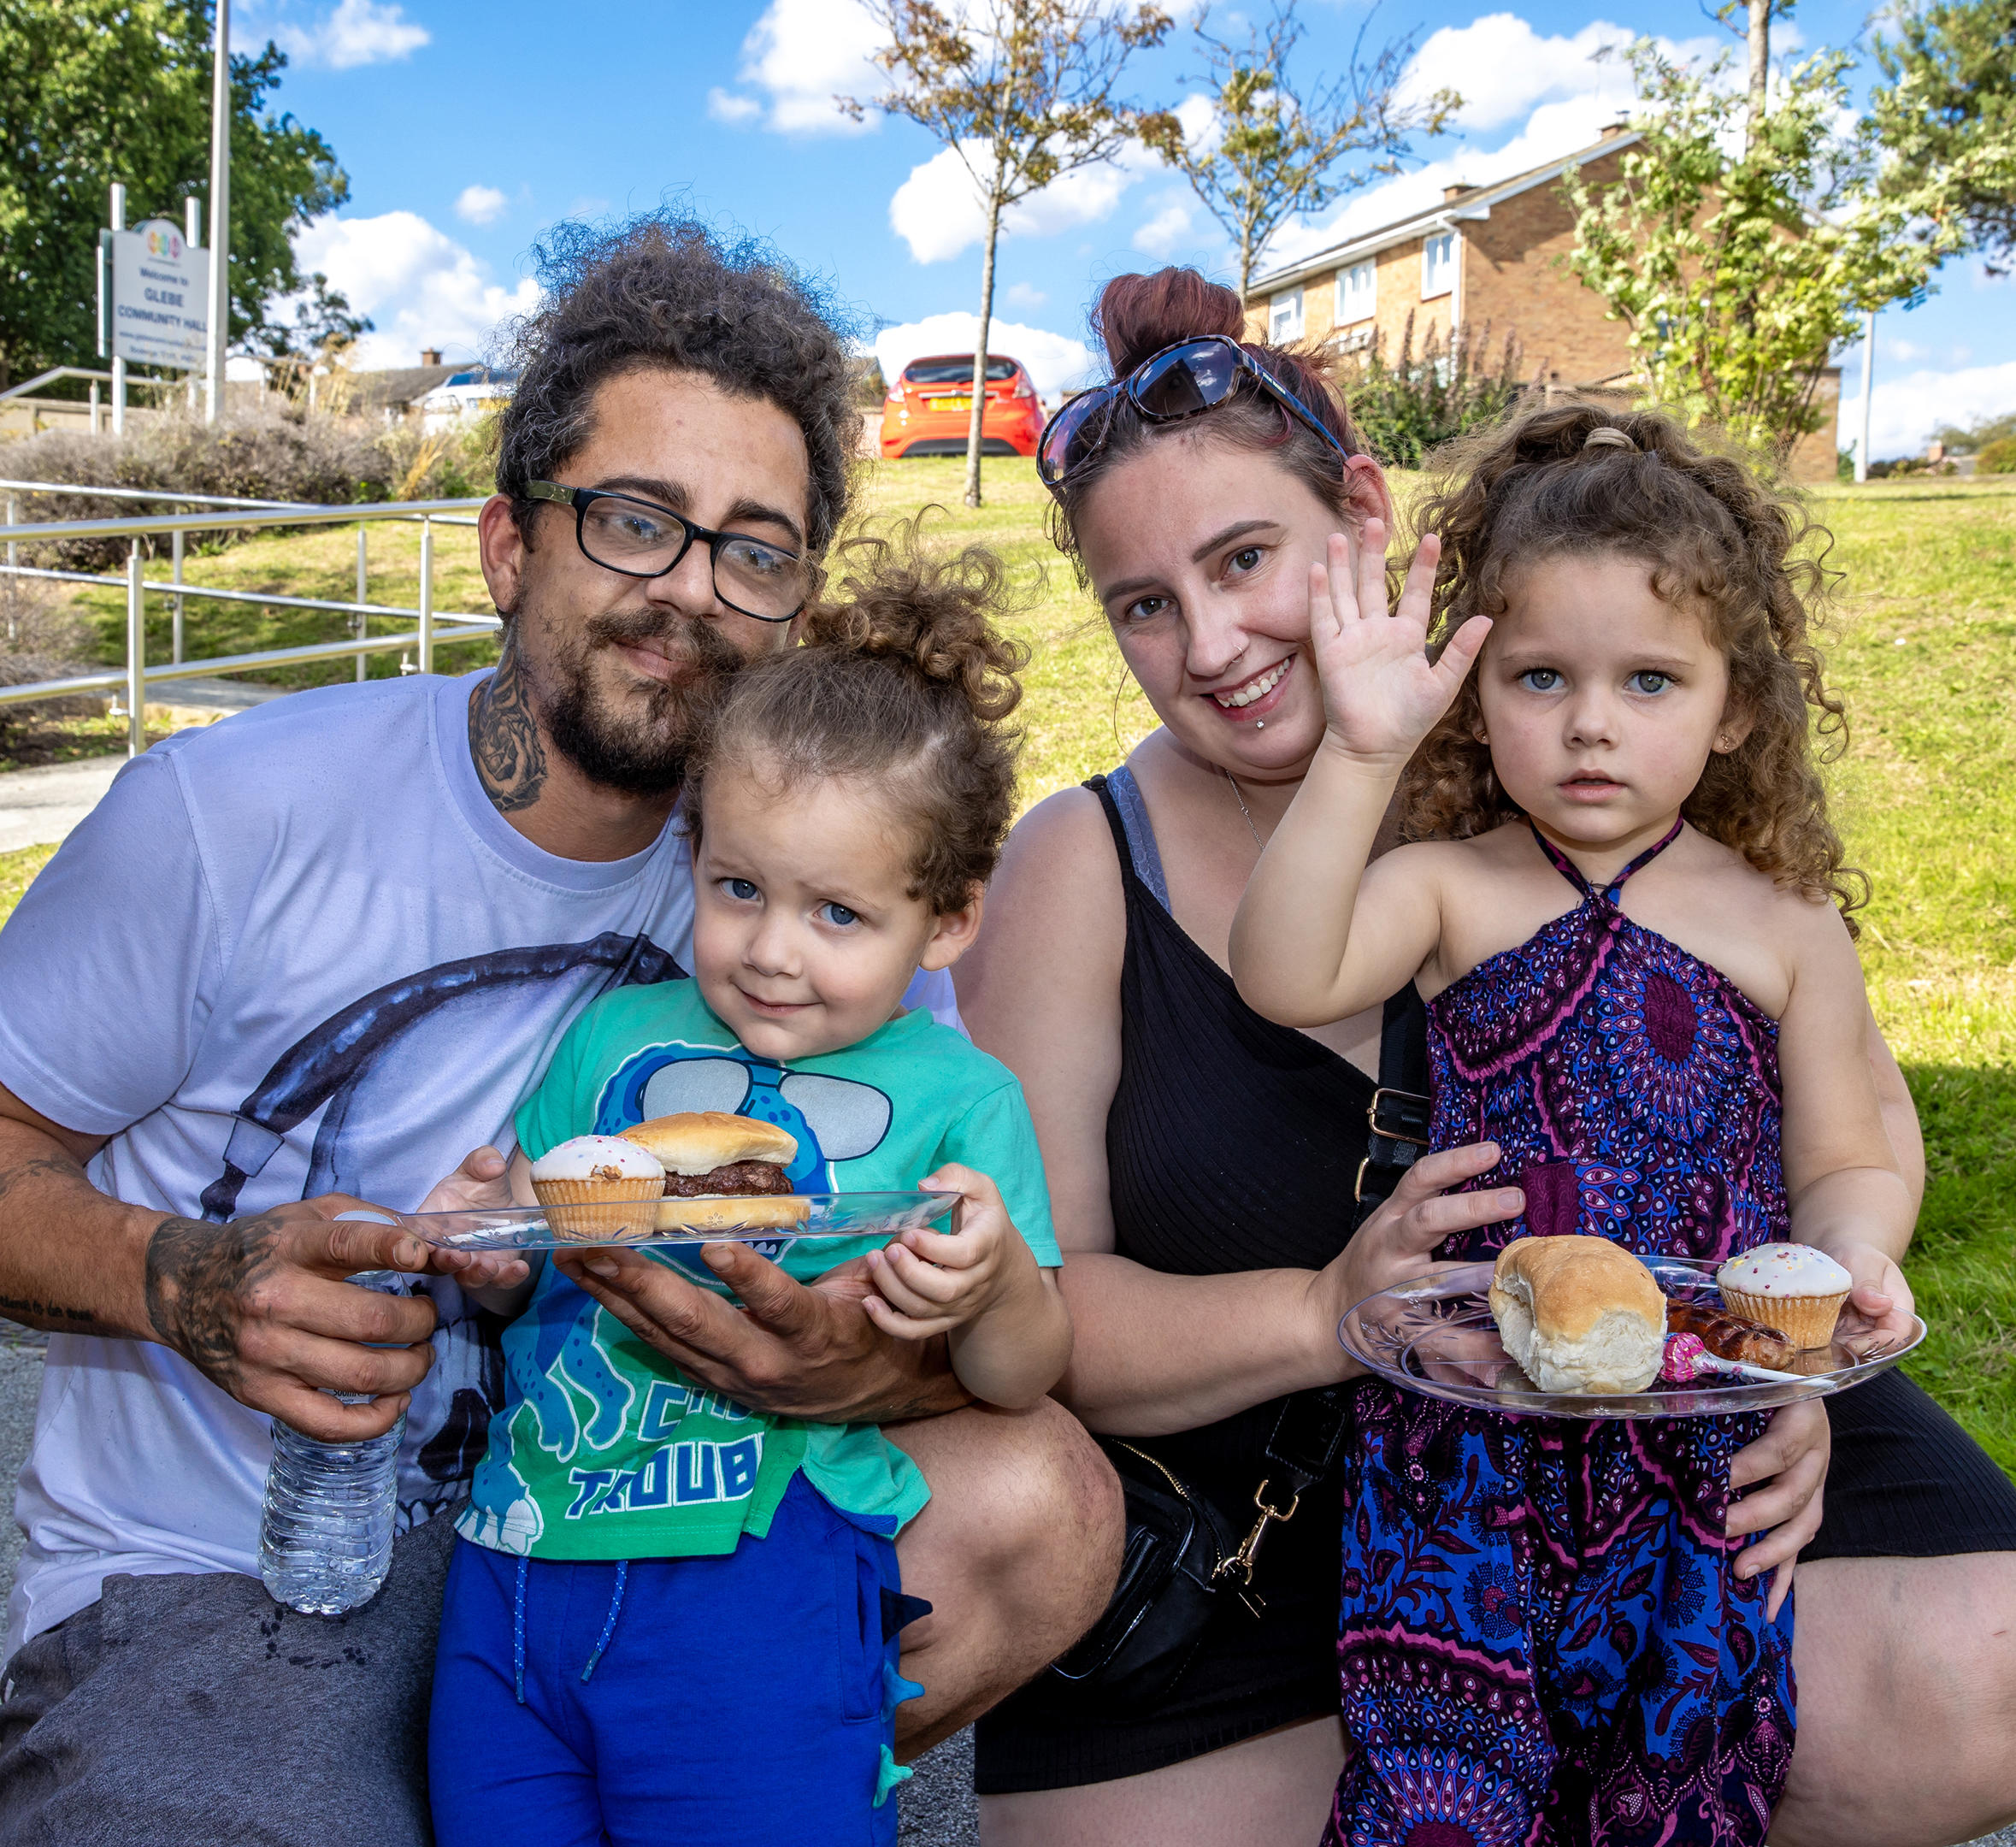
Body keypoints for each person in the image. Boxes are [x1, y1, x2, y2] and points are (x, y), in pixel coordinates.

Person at [0, 215, 1118, 1847]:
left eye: (755, 548)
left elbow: (950, 1307)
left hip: (622, 1530)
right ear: (509, 545)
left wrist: (857, 1361)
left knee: (1046, 1502)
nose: (689, 591)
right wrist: (180, 1283)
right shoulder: (226, 817)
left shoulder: (824, 906)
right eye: (632, 521)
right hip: (236, 1567)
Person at [957, 266, 2016, 1847]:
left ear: (1367, 515)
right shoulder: (1085, 862)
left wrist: (1775, 1375)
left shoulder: (1605, 784)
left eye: (1246, 558)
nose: (1214, 642)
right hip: (1312, 1511)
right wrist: (1328, 1312)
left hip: (1663, 1423)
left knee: (1981, 1668)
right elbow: (1041, 1311)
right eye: (1143, 604)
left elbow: (1845, 1125)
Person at [1229, 401, 1916, 1843]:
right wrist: (1358, 754)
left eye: (1650, 680)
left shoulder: (1782, 921)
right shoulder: (1447, 887)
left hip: (1699, 1438)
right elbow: (1283, 973)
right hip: (1463, 1440)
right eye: (1540, 676)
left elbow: (1846, 1154)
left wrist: (1846, 1265)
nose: (1591, 722)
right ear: (1475, 697)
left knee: (1677, 1783)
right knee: (1445, 1789)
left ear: (1735, 706)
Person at [426, 530, 1074, 1846]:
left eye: (837, 914)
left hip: (758, 1580)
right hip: (518, 1561)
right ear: (694, 854)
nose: (773, 952)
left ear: (947, 919)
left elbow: (1021, 1375)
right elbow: (527, 1256)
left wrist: (997, 1280)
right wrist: (483, 1248)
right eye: (737, 889)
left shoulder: (963, 1100)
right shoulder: (614, 1040)